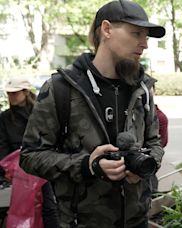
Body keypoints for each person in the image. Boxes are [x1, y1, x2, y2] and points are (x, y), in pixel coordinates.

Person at [19, 1, 165, 227]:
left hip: (137, 220)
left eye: (146, 36)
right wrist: (88, 165)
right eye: (137, 33)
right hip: (81, 221)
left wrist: (146, 166)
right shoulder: (61, 88)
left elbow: (155, 142)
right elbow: (30, 156)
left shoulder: (142, 88)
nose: (144, 44)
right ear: (106, 30)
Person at [0, 77, 59, 227]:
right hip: (18, 168)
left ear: (25, 92)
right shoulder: (5, 118)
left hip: (41, 163)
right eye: (9, 94)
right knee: (21, 209)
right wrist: (5, 168)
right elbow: (2, 144)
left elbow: (50, 136)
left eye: (15, 93)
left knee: (49, 206)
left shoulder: (39, 111)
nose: (11, 97)